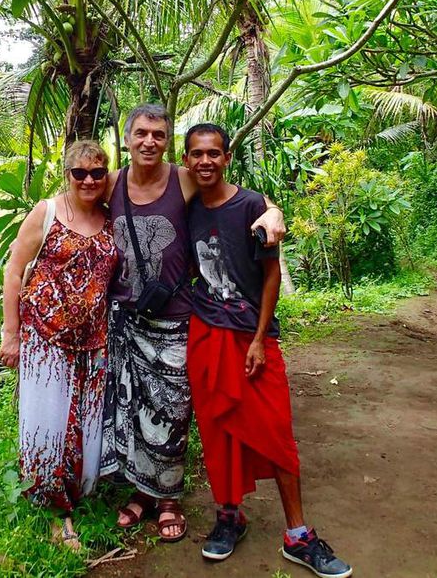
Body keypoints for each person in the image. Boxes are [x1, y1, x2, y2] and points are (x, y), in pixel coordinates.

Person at [100, 104, 286, 542]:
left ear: (169, 145)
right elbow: (71, 205)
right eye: (141, 133)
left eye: (159, 135)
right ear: (127, 139)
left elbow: (228, 188)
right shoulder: (110, 183)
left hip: (177, 317)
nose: (149, 141)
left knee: (171, 411)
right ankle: (141, 493)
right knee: (131, 408)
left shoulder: (183, 179)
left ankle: (167, 499)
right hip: (126, 317)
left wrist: (273, 210)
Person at [183, 123, 352, 577]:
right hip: (205, 332)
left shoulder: (252, 205)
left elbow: (271, 274)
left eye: (213, 153)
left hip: (251, 336)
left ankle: (298, 535)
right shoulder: (187, 208)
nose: (205, 161)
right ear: (186, 160)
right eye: (196, 153)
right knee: (218, 429)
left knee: (277, 432)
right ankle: (228, 515)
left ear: (227, 157)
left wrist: (259, 337)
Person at [0, 140, 119, 550]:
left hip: (93, 341)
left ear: (106, 176)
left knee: (83, 425)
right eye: (79, 173)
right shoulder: (46, 213)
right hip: (45, 340)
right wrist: (10, 334)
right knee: (48, 423)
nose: (88, 180)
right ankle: (54, 509)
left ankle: (78, 493)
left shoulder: (110, 218)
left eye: (97, 173)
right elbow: (14, 273)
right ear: (66, 175)